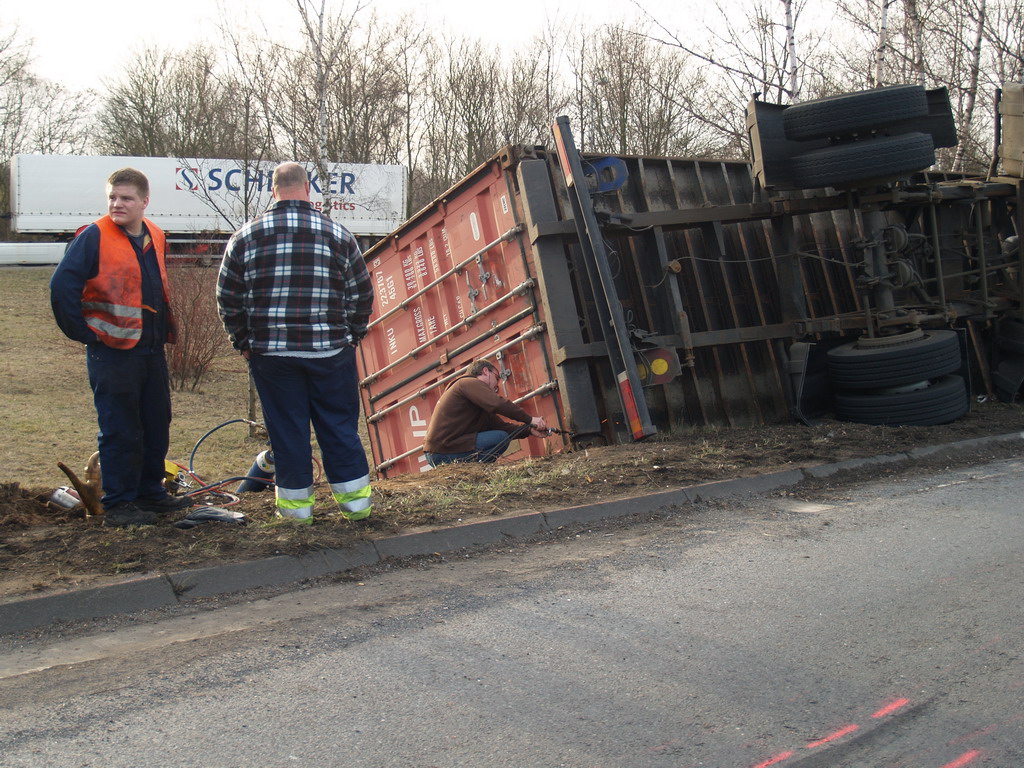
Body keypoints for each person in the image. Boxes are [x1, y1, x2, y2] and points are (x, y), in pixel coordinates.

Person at [216, 162, 374, 523]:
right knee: (338, 429)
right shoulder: (338, 234)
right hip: (330, 352)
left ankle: (297, 516)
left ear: (273, 190)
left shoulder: (245, 236)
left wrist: (243, 340)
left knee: (288, 435)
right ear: (307, 188)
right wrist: (351, 335)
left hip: (272, 354)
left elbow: (228, 297)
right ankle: (358, 509)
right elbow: (361, 293)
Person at [50, 168, 191, 527]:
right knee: (121, 428)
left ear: (144, 202)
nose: (117, 204)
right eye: (112, 197)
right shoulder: (93, 236)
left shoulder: (155, 234)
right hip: (112, 352)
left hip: (150, 350)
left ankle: (150, 492)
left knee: (155, 424)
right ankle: (120, 502)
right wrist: (84, 333)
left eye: (126, 198)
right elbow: (62, 285)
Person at [422, 360, 550, 467]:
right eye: (497, 377)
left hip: (443, 450)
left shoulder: (476, 401)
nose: (497, 385)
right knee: (500, 438)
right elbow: (498, 404)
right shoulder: (468, 383)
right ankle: (475, 472)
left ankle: (473, 471)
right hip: (442, 452)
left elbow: (502, 427)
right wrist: (530, 419)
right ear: (485, 371)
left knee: (501, 435)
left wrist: (528, 430)